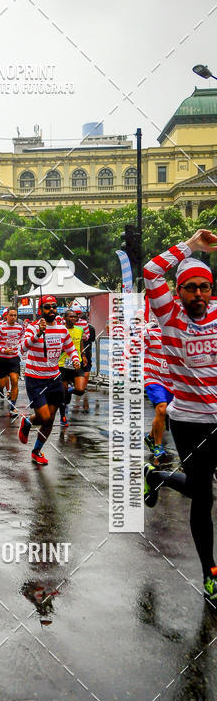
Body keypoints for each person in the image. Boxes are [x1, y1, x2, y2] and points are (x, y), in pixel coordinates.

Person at [143, 229, 217, 603]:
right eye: (191, 288)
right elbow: (151, 271)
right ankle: (210, 574)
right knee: (203, 496)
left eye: (205, 287)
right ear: (178, 290)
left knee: (200, 488)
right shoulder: (167, 312)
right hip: (188, 420)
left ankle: (157, 475)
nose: (199, 294)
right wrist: (191, 245)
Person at [18, 295, 80, 465]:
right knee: (44, 416)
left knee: (50, 419)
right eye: (47, 307)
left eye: (54, 306)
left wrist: (75, 359)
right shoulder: (32, 328)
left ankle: (36, 451)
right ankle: (28, 420)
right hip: (35, 378)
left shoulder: (61, 329)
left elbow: (71, 348)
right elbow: (22, 348)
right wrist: (38, 333)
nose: (51, 309)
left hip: (54, 379)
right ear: (41, 310)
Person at [143, 315, 173, 460]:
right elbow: (133, 345)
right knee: (161, 408)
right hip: (153, 378)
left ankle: (150, 437)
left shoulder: (182, 336)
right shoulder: (152, 334)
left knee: (164, 413)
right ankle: (158, 446)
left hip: (173, 382)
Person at [58, 307, 89, 426]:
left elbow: (80, 343)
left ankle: (70, 391)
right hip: (62, 364)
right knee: (62, 393)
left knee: (81, 390)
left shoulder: (79, 330)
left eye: (75, 316)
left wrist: (83, 354)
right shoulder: (60, 330)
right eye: (70, 316)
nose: (73, 318)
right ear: (65, 318)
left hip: (76, 363)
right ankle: (63, 417)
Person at [0, 306, 24, 414]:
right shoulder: (0, 327)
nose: (13, 317)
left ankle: (12, 406)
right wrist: (3, 350)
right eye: (11, 315)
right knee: (2, 384)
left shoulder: (19, 327)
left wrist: (20, 348)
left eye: (15, 315)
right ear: (6, 316)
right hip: (1, 358)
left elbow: (22, 339)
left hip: (14, 358)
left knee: (15, 380)